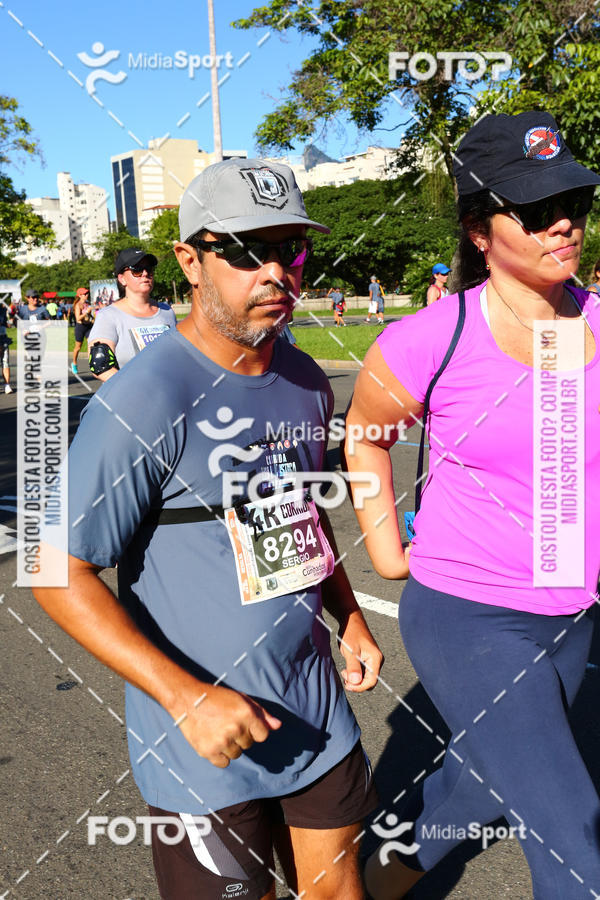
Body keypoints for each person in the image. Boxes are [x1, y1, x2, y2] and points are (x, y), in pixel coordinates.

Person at [33, 157, 383, 900]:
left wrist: (347, 615)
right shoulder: (146, 399)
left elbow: (300, 511)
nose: (277, 273)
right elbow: (58, 570)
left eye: (290, 249)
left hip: (315, 709)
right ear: (191, 261)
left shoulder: (306, 380)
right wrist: (186, 697)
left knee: (340, 891)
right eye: (248, 252)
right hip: (204, 742)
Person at [345, 111, 600, 899]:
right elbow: (363, 439)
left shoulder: (591, 323)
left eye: (575, 203)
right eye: (531, 208)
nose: (564, 222)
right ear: (478, 231)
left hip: (577, 612)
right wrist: (387, 553)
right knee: (575, 837)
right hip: (469, 614)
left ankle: (374, 881)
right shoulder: (431, 338)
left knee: (479, 789)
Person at [87, 249, 175, 381]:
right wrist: (134, 389)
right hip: (132, 398)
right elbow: (100, 365)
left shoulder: (167, 311)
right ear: (122, 279)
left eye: (149, 269)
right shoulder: (109, 315)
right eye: (137, 270)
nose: (145, 273)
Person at [71, 287, 94, 374]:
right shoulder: (78, 305)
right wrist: (86, 312)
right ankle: (74, 363)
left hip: (89, 326)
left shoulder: (87, 304)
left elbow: (90, 316)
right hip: (80, 327)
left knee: (91, 344)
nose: (87, 295)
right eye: (85, 294)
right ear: (80, 295)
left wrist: (92, 319)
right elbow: (78, 318)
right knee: (78, 348)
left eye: (87, 293)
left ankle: (91, 363)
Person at [0, 300, 13, 393]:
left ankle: (7, 385)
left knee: (5, 361)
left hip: (3, 337)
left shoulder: (2, 310)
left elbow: (5, 323)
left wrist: (10, 323)